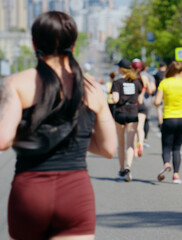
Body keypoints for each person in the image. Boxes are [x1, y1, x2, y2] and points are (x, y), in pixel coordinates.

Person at [0, 11, 117, 240]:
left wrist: (31, 134)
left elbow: (3, 139)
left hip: (30, 193)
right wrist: (77, 137)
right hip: (75, 194)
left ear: (34, 44)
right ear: (73, 46)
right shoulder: (92, 88)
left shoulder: (15, 84)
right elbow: (108, 148)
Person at [154, 61, 182, 184]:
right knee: (177, 148)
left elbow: (157, 102)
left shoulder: (164, 83)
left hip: (169, 118)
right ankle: (176, 175)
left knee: (166, 146)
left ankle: (167, 163)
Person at [111, 58, 144, 182]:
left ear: (120, 69)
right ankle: (128, 166)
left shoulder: (117, 82)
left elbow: (115, 99)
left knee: (121, 144)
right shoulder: (136, 82)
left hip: (120, 113)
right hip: (132, 113)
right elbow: (140, 100)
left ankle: (121, 170)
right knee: (130, 144)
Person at [154, 62, 167, 130]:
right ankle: (165, 120)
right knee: (166, 107)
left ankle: (160, 122)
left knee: (159, 108)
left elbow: (155, 83)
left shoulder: (157, 74)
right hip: (167, 92)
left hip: (159, 92)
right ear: (165, 66)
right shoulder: (167, 73)